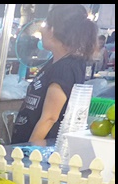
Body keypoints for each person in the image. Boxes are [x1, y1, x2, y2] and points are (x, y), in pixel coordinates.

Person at [12, 5, 97, 146]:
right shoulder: (56, 62)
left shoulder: (65, 68)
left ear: (53, 30)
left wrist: (29, 151)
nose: (41, 30)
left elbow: (50, 117)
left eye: (45, 25)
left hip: (38, 149)